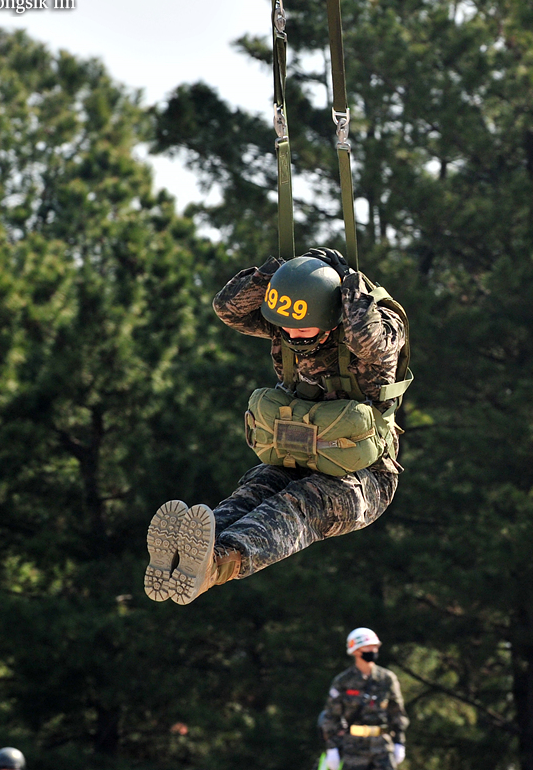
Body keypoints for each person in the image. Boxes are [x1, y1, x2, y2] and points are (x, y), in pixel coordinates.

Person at [144, 248, 409, 604]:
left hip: (362, 478)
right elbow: (227, 308)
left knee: (297, 505)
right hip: (296, 459)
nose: (293, 335)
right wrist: (274, 277)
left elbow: (369, 339)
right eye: (286, 325)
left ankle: (220, 563)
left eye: (303, 326)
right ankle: (186, 556)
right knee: (253, 492)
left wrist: (350, 286)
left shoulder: (375, 330)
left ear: (332, 316)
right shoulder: (287, 327)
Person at [319, 627, 408, 770]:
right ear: (355, 651)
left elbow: (397, 713)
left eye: (374, 647)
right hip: (354, 748)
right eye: (367, 647)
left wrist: (399, 742)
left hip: (383, 747)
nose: (372, 651)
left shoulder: (387, 679)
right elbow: (331, 716)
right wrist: (332, 748)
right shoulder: (343, 681)